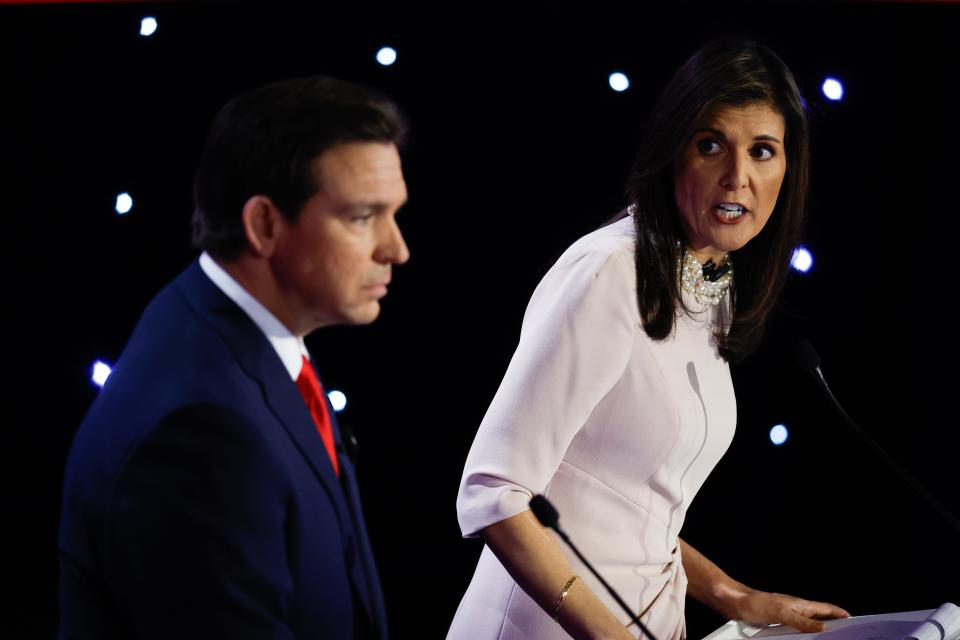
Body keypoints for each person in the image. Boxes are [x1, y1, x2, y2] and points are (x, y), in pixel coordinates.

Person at [449, 38, 849, 640]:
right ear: (674, 152)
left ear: (787, 170)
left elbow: (634, 508)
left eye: (762, 151)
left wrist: (735, 596)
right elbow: (494, 492)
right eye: (711, 145)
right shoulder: (610, 273)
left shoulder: (709, 281)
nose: (737, 177)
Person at [58, 76, 410, 639]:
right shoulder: (201, 431)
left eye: (393, 215)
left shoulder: (240, 319)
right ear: (264, 224)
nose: (396, 249)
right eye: (363, 217)